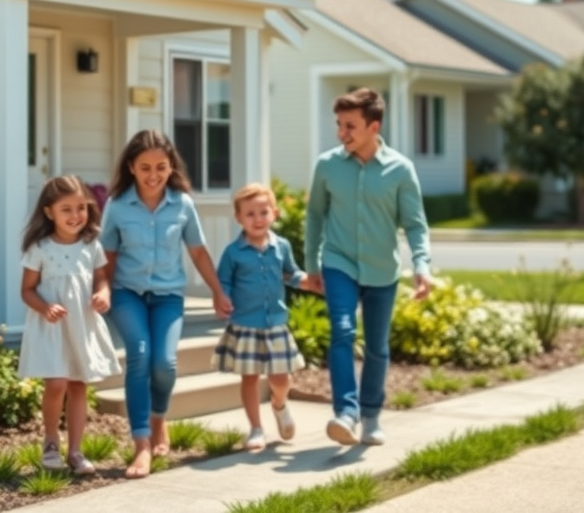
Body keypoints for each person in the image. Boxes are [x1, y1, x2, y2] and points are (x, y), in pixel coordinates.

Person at [100, 130, 234, 479]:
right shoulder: (116, 206)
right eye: (145, 167)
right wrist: (101, 290)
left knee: (165, 363)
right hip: (127, 293)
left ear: (171, 166)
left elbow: (199, 252)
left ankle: (159, 417)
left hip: (168, 296)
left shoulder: (182, 204)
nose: (153, 174)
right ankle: (141, 444)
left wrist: (218, 292)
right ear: (131, 167)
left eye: (161, 166)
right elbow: (107, 256)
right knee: (140, 355)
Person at [304, 88, 433, 447]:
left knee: (377, 346)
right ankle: (345, 413)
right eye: (339, 125)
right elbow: (314, 215)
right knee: (342, 332)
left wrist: (422, 265)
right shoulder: (327, 165)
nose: (341, 133)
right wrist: (312, 264)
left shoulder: (400, 169)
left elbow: (415, 224)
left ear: (373, 126)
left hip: (381, 269)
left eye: (350, 126)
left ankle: (371, 415)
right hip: (338, 262)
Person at [18, 175, 121, 475]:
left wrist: (103, 293)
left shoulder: (91, 245)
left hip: (81, 323)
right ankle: (51, 441)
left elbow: (101, 277)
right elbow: (26, 290)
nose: (76, 216)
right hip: (52, 325)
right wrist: (45, 307)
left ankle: (75, 451)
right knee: (57, 382)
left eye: (81, 208)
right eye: (67, 209)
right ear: (49, 212)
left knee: (78, 384)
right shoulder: (39, 248)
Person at [211, 182, 315, 451]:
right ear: (239, 218)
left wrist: (310, 283)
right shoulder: (233, 252)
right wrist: (223, 298)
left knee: (281, 379)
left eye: (263, 212)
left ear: (274, 213)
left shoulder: (281, 246)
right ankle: (256, 428)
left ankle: (280, 405)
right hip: (245, 324)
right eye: (250, 214)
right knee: (250, 378)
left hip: (275, 323)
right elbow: (224, 282)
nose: (258, 219)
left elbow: (291, 274)